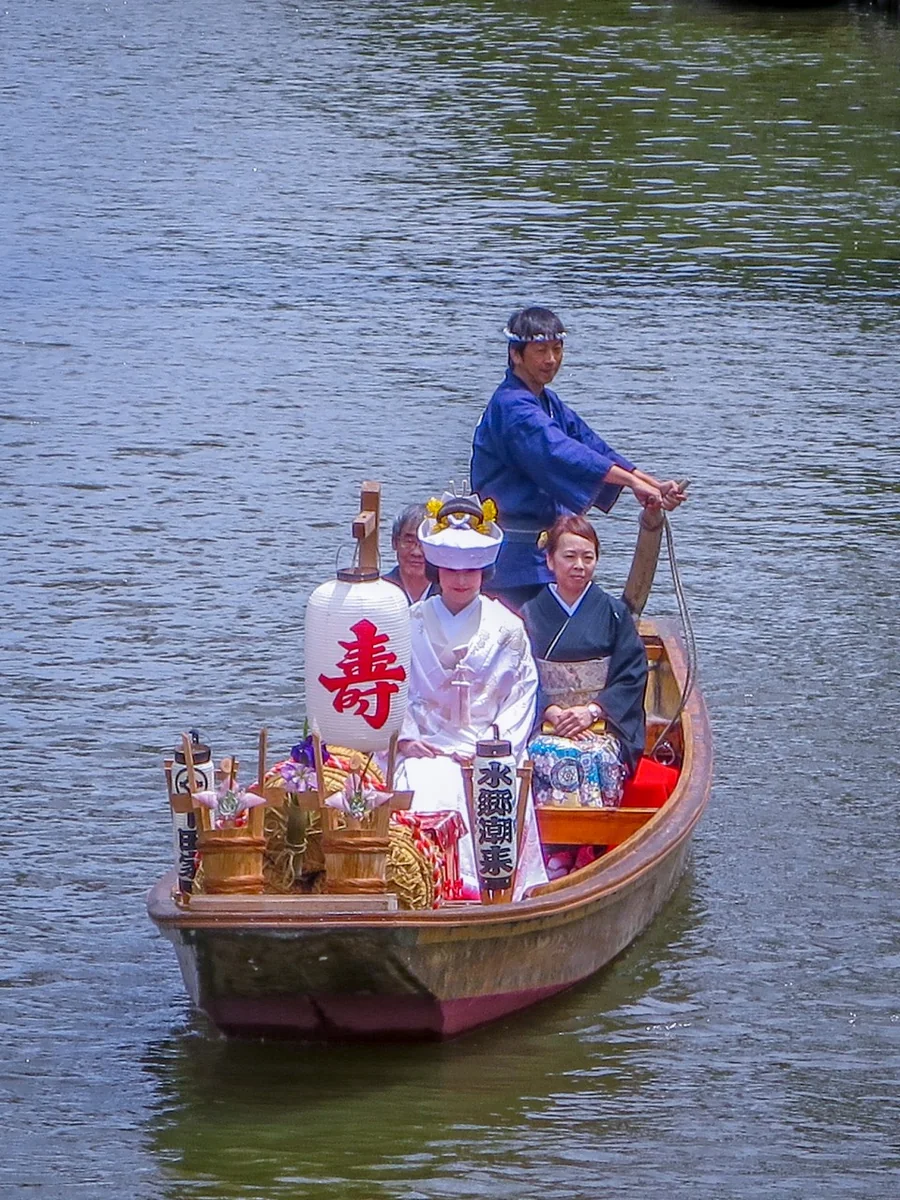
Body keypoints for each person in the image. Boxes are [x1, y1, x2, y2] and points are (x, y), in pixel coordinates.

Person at [471, 306, 687, 610]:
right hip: (512, 562)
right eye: (541, 350)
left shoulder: (546, 401)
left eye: (557, 349)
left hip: (546, 556)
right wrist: (633, 484)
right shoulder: (512, 407)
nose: (551, 360)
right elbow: (561, 451)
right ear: (516, 354)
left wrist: (650, 484)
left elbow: (590, 446)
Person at [395, 493, 548, 899]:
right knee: (426, 787)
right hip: (425, 745)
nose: (460, 580)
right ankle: (426, 884)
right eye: (449, 570)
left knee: (495, 786)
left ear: (485, 572)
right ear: (436, 570)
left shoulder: (507, 627)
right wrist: (408, 737)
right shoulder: (409, 624)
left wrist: (495, 748)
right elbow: (395, 689)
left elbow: (521, 696)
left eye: (471, 571)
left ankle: (492, 890)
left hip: (488, 746)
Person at [522, 514, 648, 810]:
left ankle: (592, 839)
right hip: (545, 721)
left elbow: (632, 674)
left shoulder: (615, 613)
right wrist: (549, 711)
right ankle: (546, 840)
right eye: (569, 556)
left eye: (587, 557)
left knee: (597, 755)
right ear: (550, 560)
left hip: (601, 722)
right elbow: (518, 677)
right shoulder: (529, 614)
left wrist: (592, 711)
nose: (579, 565)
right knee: (540, 751)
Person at [382, 504, 439, 604]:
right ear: (394, 542)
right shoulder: (379, 590)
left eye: (424, 543)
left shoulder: (450, 594)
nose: (416, 552)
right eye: (409, 541)